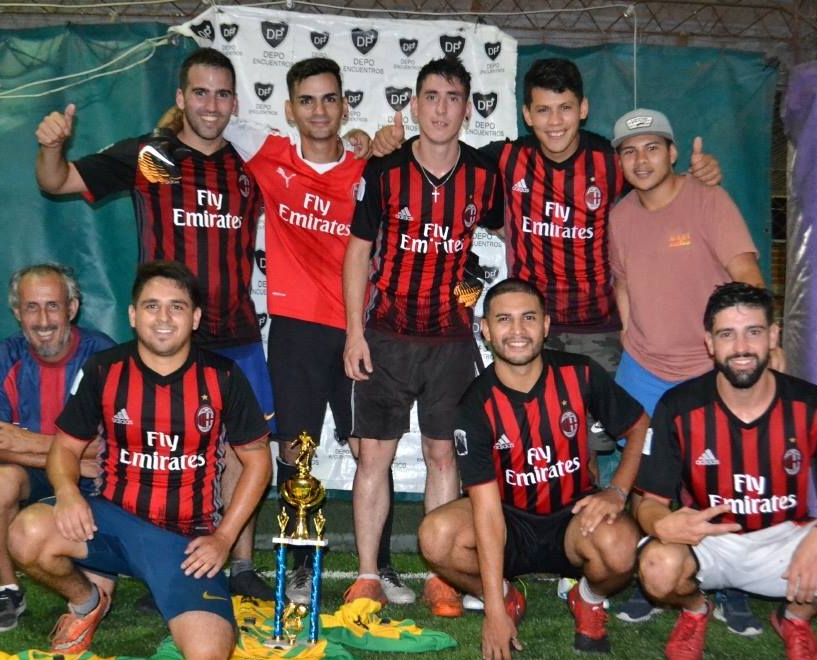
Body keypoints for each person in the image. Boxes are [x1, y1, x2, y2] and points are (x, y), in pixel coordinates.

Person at [371, 59, 722, 448]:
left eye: (565, 108)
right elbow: (441, 157)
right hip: (529, 328)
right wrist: (376, 142)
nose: (555, 121)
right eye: (543, 110)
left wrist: (698, 176)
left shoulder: (610, 161)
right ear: (527, 115)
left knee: (587, 448)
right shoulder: (505, 158)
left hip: (596, 330)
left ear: (583, 109)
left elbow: (658, 182)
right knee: (528, 440)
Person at [34, 47, 273, 599]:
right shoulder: (150, 156)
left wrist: (362, 142)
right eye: (200, 92)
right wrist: (50, 147)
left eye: (222, 94)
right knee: (154, 448)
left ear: (235, 102)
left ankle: (238, 564)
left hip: (236, 333)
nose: (211, 104)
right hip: (164, 336)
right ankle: (148, 557)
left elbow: (320, 171)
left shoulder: (250, 163)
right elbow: (57, 181)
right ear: (180, 98)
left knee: (245, 454)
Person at [7, 261, 271, 660]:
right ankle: (87, 601)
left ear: (195, 318)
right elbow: (64, 448)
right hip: (110, 524)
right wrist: (67, 492)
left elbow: (258, 462)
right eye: (151, 306)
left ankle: (155, 585)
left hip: (184, 541)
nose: (163, 318)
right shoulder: (104, 369)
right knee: (26, 533)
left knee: (209, 654)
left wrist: (224, 538)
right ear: (133, 315)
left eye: (177, 307)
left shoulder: (223, 376)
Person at [633, 283, 817, 660]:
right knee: (657, 567)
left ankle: (795, 617)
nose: (741, 347)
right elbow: (647, 501)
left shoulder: (809, 403)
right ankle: (695, 610)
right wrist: (661, 524)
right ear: (710, 343)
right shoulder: (679, 406)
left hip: (785, 539)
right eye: (727, 334)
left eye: (753, 332)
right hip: (710, 541)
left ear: (773, 336)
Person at [227, 57, 407, 604]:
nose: (319, 110)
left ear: (344, 105)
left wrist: (378, 144)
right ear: (289, 109)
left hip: (357, 330)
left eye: (330, 99)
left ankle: (381, 566)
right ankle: (302, 565)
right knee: (296, 452)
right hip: (296, 332)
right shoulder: (268, 155)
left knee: (369, 449)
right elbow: (197, 117)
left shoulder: (369, 168)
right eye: (307, 100)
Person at [419, 280, 649, 660]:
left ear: (545, 325)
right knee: (435, 536)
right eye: (504, 320)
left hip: (573, 519)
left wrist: (618, 491)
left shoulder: (580, 373)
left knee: (622, 546)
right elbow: (487, 512)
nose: (517, 330)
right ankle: (507, 595)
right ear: (486, 330)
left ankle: (588, 598)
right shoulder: (474, 407)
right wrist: (494, 608)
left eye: (528, 318)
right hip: (510, 523)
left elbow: (638, 424)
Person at [343, 57, 503, 610]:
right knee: (374, 458)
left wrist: (485, 302)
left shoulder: (484, 175)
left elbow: (508, 231)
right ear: (414, 105)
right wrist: (354, 333)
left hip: (451, 341)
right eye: (431, 97)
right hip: (387, 335)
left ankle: (441, 575)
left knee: (442, 455)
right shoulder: (384, 171)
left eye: (453, 98)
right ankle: (367, 576)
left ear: (467, 109)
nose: (441, 109)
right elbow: (358, 252)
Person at [608, 107, 768, 634]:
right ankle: (650, 578)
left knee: (719, 480)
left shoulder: (709, 200)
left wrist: (756, 345)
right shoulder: (620, 216)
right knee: (643, 483)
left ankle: (730, 587)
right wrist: (632, 334)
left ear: (673, 153)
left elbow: (747, 275)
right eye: (630, 152)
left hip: (707, 372)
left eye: (652, 148)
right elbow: (623, 283)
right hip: (643, 372)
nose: (641, 160)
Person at [0, 263, 115, 633]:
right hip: (53, 471)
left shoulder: (103, 355)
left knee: (98, 599)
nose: (42, 320)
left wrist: (27, 441)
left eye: (52, 306)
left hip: (95, 482)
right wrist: (72, 459)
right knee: (1, 481)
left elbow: (110, 446)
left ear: (72, 308)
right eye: (31, 307)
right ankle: (8, 589)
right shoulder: (3, 357)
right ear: (17, 312)